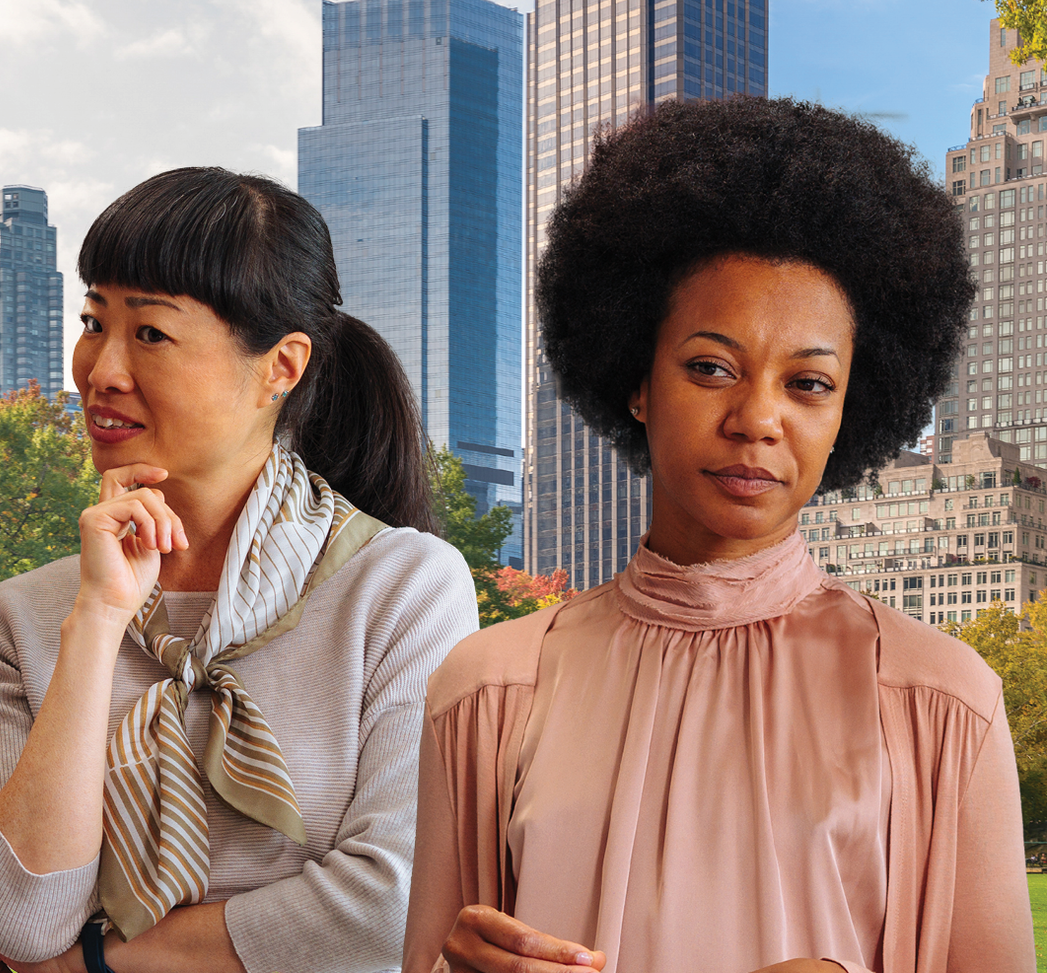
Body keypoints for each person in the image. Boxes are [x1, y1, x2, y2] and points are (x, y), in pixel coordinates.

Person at [406, 98, 1033, 973]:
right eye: (710, 367)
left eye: (808, 383)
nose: (756, 419)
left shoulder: (942, 700)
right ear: (637, 381)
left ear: (851, 412)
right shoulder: (487, 690)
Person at [0, 168, 477, 973]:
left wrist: (92, 962)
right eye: (93, 322)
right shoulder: (16, 621)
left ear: (282, 367)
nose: (101, 371)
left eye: (150, 333)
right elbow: (20, 920)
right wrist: (97, 623)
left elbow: (391, 906)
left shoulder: (403, 589)